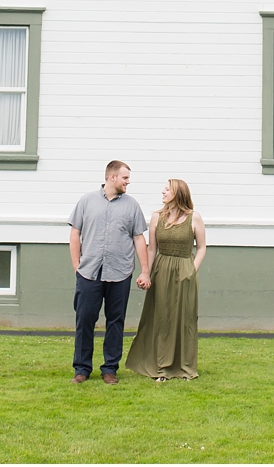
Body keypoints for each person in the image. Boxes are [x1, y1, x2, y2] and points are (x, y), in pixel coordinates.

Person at [68, 159, 149, 384]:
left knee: (116, 321)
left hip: (120, 273)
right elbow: (75, 234)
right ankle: (82, 369)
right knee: (85, 319)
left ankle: (109, 369)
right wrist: (77, 266)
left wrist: (145, 271)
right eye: (125, 178)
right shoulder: (86, 201)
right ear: (112, 177)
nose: (128, 182)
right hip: (89, 272)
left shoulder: (132, 205)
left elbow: (139, 238)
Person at [125, 178, 207, 381]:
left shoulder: (193, 218)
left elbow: (202, 247)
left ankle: (185, 366)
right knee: (161, 317)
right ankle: (162, 366)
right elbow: (151, 248)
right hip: (162, 270)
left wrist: (192, 270)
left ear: (178, 193)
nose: (163, 192)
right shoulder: (156, 217)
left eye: (167, 189)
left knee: (185, 317)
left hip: (185, 271)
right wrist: (146, 273)